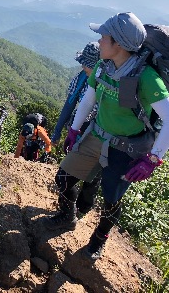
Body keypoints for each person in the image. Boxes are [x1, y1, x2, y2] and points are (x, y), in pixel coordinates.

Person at [45, 12, 169, 262]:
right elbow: (89, 99)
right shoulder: (103, 66)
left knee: (112, 199)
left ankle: (98, 240)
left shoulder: (146, 78)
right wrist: (75, 130)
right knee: (63, 177)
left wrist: (152, 160)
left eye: (104, 37)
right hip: (96, 134)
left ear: (118, 44)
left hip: (126, 148)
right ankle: (68, 216)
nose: (99, 42)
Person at [45, 42, 102, 230]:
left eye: (85, 63)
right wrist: (58, 130)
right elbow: (69, 105)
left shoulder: (104, 85)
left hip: (96, 138)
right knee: (69, 174)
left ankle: (78, 211)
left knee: (90, 177)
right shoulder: (81, 79)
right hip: (78, 133)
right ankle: (70, 211)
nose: (82, 66)